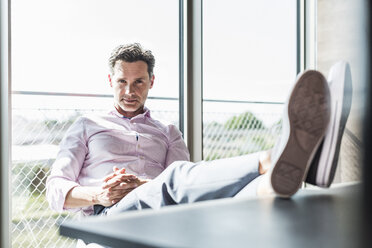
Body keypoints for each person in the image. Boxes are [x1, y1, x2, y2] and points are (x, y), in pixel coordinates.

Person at [46, 43, 352, 218]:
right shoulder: (87, 126)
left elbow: (186, 186)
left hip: (159, 214)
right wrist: (100, 194)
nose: (129, 90)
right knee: (176, 175)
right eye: (121, 82)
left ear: (151, 82)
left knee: (248, 191)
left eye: (138, 81)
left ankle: (291, 173)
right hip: (107, 216)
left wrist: (144, 184)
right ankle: (276, 157)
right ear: (109, 82)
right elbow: (55, 188)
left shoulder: (167, 131)